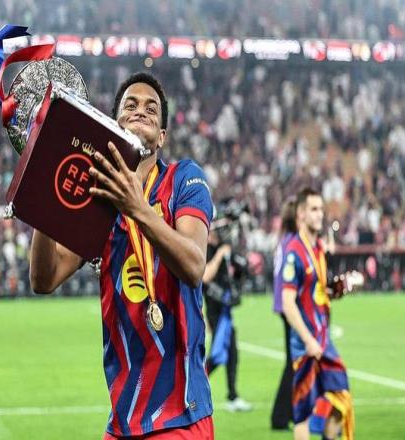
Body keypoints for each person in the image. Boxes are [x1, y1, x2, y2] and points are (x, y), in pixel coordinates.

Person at [29, 72, 215, 439]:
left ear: (162, 136)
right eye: (130, 105)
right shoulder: (98, 200)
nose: (140, 110)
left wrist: (137, 208)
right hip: (123, 418)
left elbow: (194, 266)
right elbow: (43, 279)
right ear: (114, 124)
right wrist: (48, 196)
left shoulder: (184, 179)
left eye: (151, 108)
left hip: (180, 415)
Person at [282, 188, 354, 440]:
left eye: (321, 209)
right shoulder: (294, 252)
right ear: (301, 214)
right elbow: (288, 303)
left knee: (341, 395)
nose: (319, 214)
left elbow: (317, 292)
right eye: (314, 209)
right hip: (306, 345)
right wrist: (308, 340)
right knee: (302, 412)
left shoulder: (318, 249)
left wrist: (335, 291)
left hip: (323, 340)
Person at [202, 227, 252, 412]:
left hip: (224, 311)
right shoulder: (206, 249)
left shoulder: (224, 247)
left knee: (231, 353)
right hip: (215, 313)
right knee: (218, 355)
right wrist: (220, 255)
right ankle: (194, 383)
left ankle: (233, 395)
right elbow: (205, 276)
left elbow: (240, 271)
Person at [270, 197, 297, 430]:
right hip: (291, 305)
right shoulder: (293, 242)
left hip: (283, 304)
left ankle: (289, 412)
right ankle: (280, 415)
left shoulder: (284, 240)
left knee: (295, 361)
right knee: (294, 361)